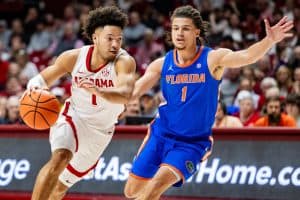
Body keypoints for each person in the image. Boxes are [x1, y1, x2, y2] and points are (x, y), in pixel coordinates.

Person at [124, 5, 293, 200]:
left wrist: (269, 40)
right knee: (132, 192)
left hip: (191, 143)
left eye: (185, 28)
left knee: (154, 188)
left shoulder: (212, 59)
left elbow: (246, 56)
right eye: (175, 28)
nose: (179, 33)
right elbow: (134, 91)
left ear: (196, 32)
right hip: (160, 134)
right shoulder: (162, 64)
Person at [24, 6, 136, 200]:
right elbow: (42, 78)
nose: (115, 44)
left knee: (60, 188)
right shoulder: (74, 57)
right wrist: (34, 88)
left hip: (100, 132)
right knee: (60, 158)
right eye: (110, 38)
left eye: (119, 39)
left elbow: (125, 94)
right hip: (73, 117)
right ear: (95, 38)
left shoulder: (124, 62)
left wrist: (100, 91)